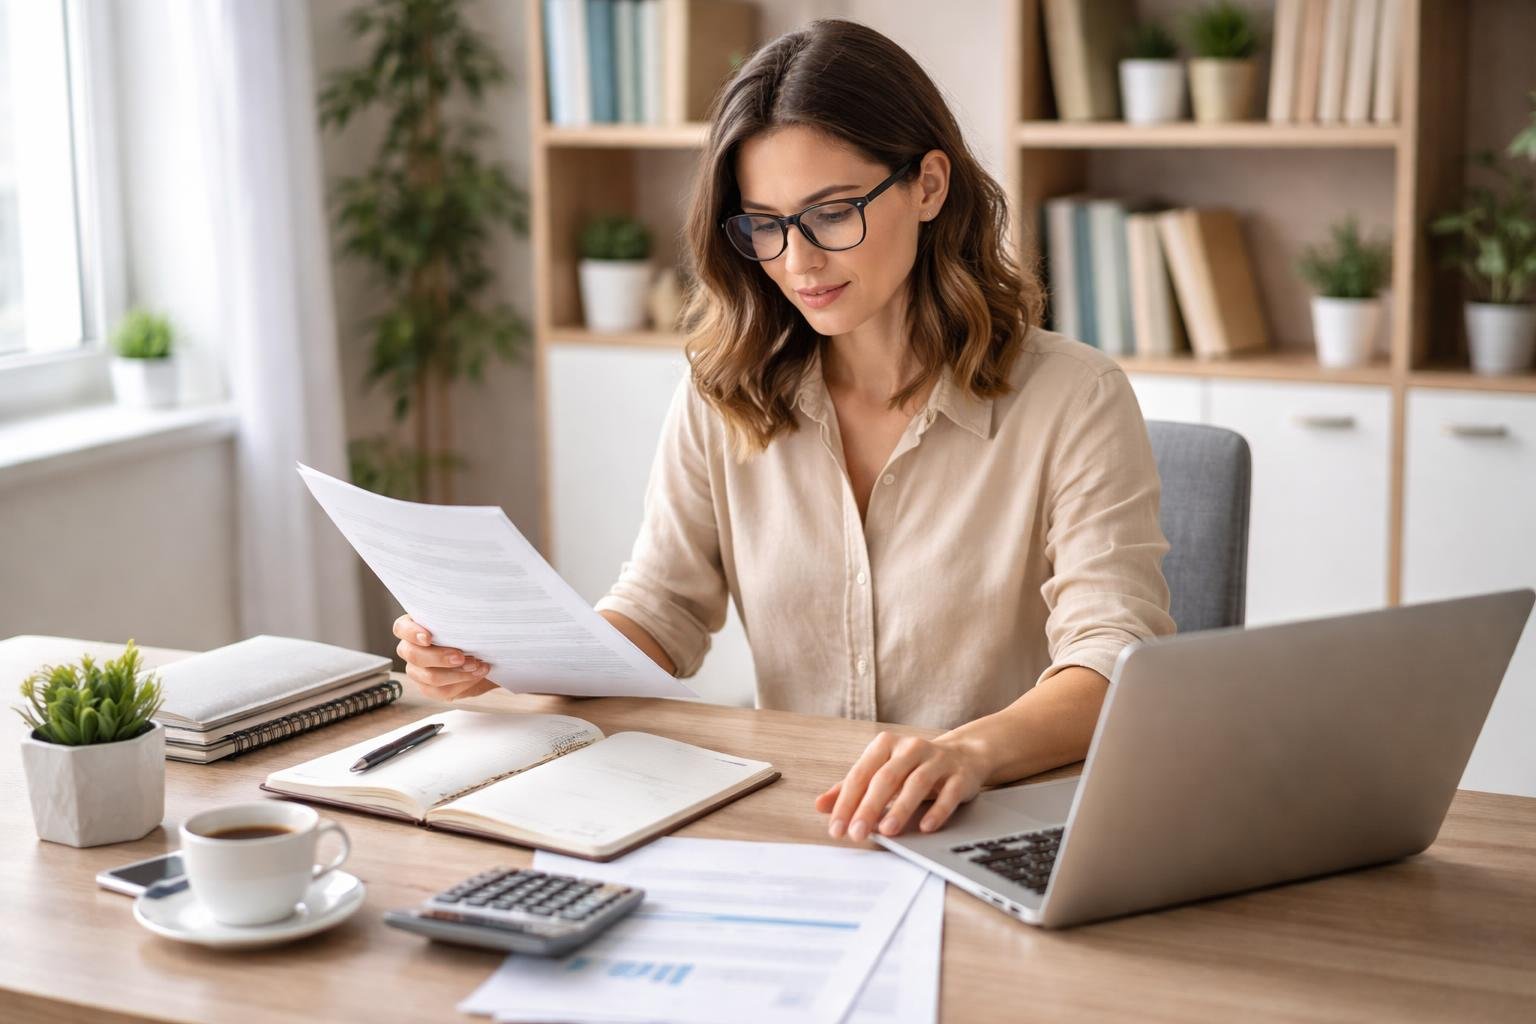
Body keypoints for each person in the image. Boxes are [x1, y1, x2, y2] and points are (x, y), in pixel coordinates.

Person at [393, 20, 1174, 844]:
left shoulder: (1075, 396)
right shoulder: (724, 388)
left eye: (832, 213)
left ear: (929, 186)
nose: (797, 262)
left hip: (1002, 822)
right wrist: (504, 660)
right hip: (808, 820)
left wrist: (966, 753)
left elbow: (1114, 657)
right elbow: (661, 611)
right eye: (763, 224)